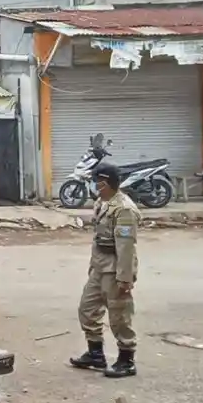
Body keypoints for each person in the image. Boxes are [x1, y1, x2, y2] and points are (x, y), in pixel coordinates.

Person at [69, 161, 141, 378]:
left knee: (119, 316)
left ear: (105, 183)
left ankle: (126, 360)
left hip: (115, 270)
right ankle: (95, 354)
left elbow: (125, 247)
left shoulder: (124, 209)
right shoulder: (103, 201)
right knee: (87, 309)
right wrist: (93, 266)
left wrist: (125, 278)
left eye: (96, 181)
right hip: (100, 267)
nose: (93, 185)